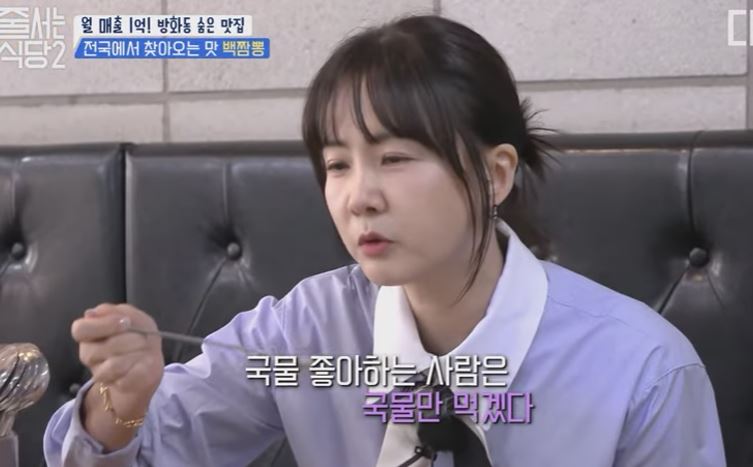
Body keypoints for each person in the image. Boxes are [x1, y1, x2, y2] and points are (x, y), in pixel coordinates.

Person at [43, 14, 726, 467]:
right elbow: (134, 452)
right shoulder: (306, 333)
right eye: (337, 165)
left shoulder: (642, 370)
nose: (358, 196)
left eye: (395, 158)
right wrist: (121, 407)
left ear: (494, 175)